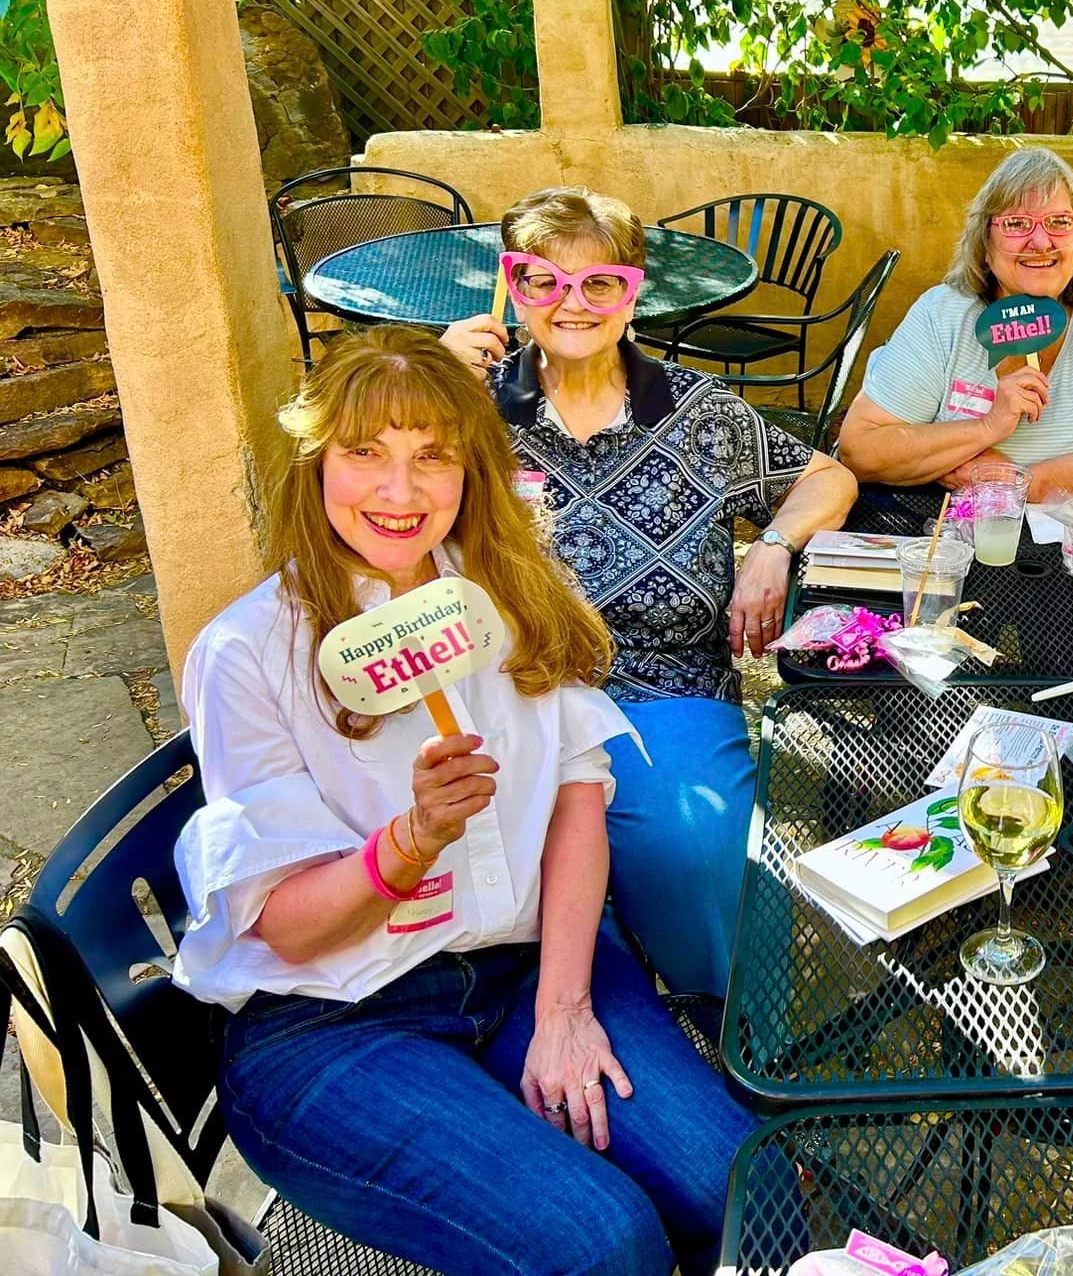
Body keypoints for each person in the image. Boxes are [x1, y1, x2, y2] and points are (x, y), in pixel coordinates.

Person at [171, 328, 757, 1276]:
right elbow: (289, 930)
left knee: (740, 1186)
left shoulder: (513, 595)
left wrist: (566, 1007)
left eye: (432, 456)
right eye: (365, 454)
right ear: (316, 465)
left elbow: (578, 796)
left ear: (474, 471)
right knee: (603, 1242)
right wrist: (409, 841)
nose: (399, 493)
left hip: (526, 972)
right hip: (335, 1021)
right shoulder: (249, 652)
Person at [440, 186, 857, 998]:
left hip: (664, 687)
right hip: (509, 690)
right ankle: (566, 1014)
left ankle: (727, 1015)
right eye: (544, 280)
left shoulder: (695, 411)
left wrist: (772, 545)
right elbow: (353, 494)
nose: (572, 302)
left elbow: (828, 478)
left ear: (633, 293)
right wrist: (425, 376)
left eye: (600, 282)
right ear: (511, 287)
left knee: (696, 848)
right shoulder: (468, 407)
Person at [835, 146, 1073, 500]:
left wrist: (1012, 482)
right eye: (1016, 224)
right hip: (948, 531)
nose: (1040, 242)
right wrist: (987, 428)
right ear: (985, 244)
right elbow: (862, 451)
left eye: (1059, 222)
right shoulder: (941, 315)